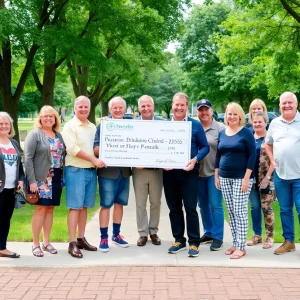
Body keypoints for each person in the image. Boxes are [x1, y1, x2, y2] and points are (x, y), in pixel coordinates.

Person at [163, 92, 209, 257]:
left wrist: (195, 159)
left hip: (189, 173)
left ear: (186, 106)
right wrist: (162, 161)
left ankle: (194, 242)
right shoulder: (164, 125)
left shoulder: (194, 125)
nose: (179, 108)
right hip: (169, 174)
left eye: (182, 105)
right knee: (174, 208)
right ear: (172, 105)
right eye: (177, 104)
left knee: (190, 208)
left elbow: (205, 147)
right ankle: (179, 240)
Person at [62, 96, 106, 258]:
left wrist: (108, 125)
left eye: (86, 107)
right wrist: (94, 159)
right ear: (74, 107)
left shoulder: (93, 127)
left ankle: (81, 238)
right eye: (80, 107)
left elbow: (99, 143)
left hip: (90, 171)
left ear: (90, 108)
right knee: (75, 207)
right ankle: (72, 242)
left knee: (85, 206)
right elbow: (72, 149)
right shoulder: (70, 126)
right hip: (75, 170)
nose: (83, 109)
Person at [215, 102, 256, 259]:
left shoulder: (246, 133)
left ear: (240, 115)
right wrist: (216, 174)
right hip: (224, 177)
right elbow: (218, 155)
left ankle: (241, 246)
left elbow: (252, 155)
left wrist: (247, 178)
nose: (231, 116)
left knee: (240, 212)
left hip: (242, 178)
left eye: (234, 114)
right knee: (231, 212)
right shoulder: (223, 133)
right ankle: (235, 242)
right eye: (229, 113)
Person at [24, 106, 65, 257]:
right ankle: (35, 244)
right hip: (41, 178)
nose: (48, 119)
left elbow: (62, 156)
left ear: (55, 119)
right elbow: (27, 158)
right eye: (45, 116)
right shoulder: (35, 134)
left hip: (56, 177)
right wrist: (32, 181)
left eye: (51, 116)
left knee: (50, 209)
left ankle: (46, 242)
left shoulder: (58, 135)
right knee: (40, 209)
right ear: (40, 118)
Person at [93, 97, 132, 252]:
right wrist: (110, 147)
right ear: (110, 110)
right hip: (108, 171)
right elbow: (95, 149)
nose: (117, 110)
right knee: (106, 204)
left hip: (124, 171)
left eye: (120, 107)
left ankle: (116, 235)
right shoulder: (103, 126)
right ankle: (103, 237)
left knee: (120, 203)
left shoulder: (131, 125)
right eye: (114, 108)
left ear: (124, 109)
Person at [265, 91, 300, 255]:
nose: (287, 105)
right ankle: (289, 242)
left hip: (299, 176)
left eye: (289, 102)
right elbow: (267, 144)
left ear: (296, 104)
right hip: (281, 175)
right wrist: (272, 160)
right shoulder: (274, 123)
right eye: (283, 103)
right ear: (280, 105)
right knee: (285, 210)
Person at [132, 95, 164, 247]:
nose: (146, 108)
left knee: (156, 202)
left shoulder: (163, 124)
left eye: (148, 105)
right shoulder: (132, 125)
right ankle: (142, 233)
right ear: (139, 108)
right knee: (140, 203)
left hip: (157, 170)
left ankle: (153, 231)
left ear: (153, 106)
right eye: (143, 106)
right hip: (139, 170)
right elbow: (127, 147)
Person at [196, 99, 226, 251]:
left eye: (206, 109)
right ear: (197, 112)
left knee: (215, 205)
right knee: (203, 205)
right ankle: (208, 232)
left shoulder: (220, 128)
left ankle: (218, 237)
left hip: (214, 174)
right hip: (198, 174)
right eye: (201, 110)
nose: (204, 112)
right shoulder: (194, 127)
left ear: (212, 111)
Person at [247, 112, 275, 249]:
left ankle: (270, 237)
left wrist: (267, 177)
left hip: (266, 178)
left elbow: (274, 161)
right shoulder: (249, 138)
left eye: (260, 122)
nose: (257, 124)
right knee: (255, 207)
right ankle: (257, 235)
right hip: (251, 179)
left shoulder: (270, 139)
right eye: (255, 122)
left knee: (267, 208)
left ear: (266, 122)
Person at [0, 112, 24, 258]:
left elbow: (20, 166)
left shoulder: (13, 143)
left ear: (10, 126)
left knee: (5, 219)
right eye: (0, 123)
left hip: (11, 189)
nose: (3, 126)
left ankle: (2, 247)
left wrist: (21, 179)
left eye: (6, 123)